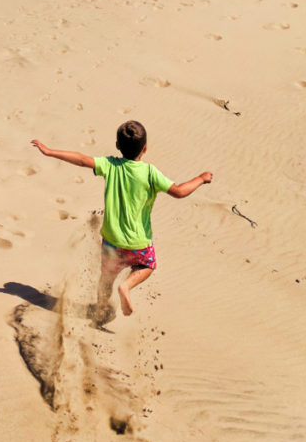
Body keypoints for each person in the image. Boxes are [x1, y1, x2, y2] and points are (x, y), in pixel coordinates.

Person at [31, 120, 212, 319]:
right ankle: (127, 285)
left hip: (111, 242)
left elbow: (82, 159)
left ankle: (101, 310)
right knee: (147, 266)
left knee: (106, 280)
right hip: (138, 243)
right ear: (145, 148)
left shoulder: (110, 165)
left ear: (117, 145)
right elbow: (179, 191)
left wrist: (49, 151)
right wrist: (201, 179)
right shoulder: (150, 173)